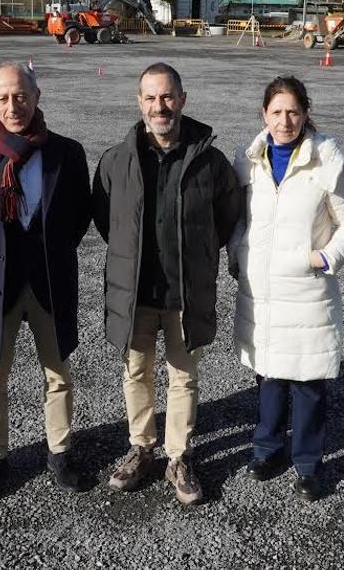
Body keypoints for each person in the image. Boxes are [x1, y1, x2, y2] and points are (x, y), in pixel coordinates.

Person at [92, 62, 242, 505]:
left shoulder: (210, 162)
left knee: (183, 377)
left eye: (168, 97)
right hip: (135, 292)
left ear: (183, 99)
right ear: (139, 102)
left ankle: (178, 456)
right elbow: (107, 220)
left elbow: (226, 217)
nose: (161, 106)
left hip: (185, 292)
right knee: (136, 371)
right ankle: (141, 446)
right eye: (151, 98)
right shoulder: (116, 161)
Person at [0, 62, 92, 499]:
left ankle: (60, 451)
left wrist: (52, 249)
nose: (13, 106)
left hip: (49, 280)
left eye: (20, 95)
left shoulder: (67, 153)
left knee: (58, 374)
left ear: (36, 95)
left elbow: (79, 215)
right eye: (3, 97)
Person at [228, 76, 344, 501]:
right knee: (268, 374)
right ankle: (267, 448)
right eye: (276, 112)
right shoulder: (247, 160)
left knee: (308, 380)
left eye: (293, 112)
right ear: (263, 114)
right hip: (263, 291)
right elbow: (238, 219)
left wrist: (325, 258)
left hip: (307, 291)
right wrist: (238, 255)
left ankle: (308, 462)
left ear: (305, 113)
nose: (284, 121)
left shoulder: (327, 159)